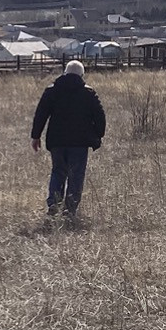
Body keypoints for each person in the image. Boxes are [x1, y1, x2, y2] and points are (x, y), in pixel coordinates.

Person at [31, 58, 106, 218]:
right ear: (82, 75)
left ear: (65, 73)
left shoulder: (51, 91)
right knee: (76, 175)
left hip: (57, 142)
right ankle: (70, 210)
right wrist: (98, 135)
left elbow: (41, 114)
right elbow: (100, 116)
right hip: (80, 143)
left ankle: (53, 203)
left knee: (58, 171)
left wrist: (35, 136)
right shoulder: (88, 93)